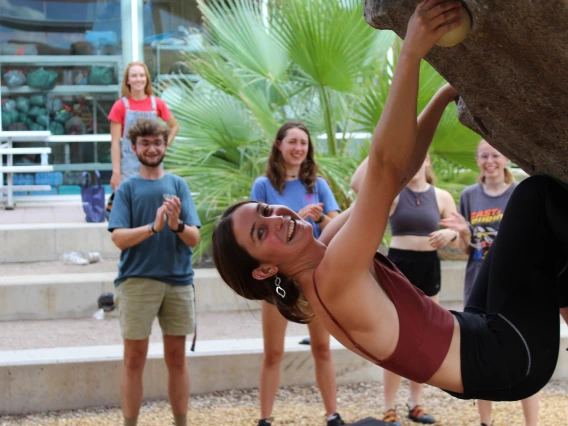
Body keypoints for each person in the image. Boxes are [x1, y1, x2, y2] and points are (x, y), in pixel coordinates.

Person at [211, 0, 568, 407]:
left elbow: (395, 178)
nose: (276, 218)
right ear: (266, 269)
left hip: (476, 337)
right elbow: (382, 167)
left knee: (548, 254)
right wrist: (411, 53)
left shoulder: (327, 245)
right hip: (504, 356)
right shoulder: (333, 277)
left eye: (265, 211)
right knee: (536, 196)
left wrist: (445, 96)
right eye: (261, 232)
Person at [352, 155, 459, 425]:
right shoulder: (396, 194)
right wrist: (383, 146)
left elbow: (461, 237)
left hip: (429, 267)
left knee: (424, 337)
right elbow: (359, 186)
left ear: (427, 160)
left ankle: (416, 404)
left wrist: (452, 235)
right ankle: (389, 408)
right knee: (394, 337)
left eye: (418, 153)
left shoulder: (443, 196)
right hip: (400, 266)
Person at [250, 121, 344, 426]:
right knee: (273, 353)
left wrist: (320, 219)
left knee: (322, 348)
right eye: (292, 142)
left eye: (303, 143)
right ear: (279, 144)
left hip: (312, 279)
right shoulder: (262, 185)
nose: (298, 148)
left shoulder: (318, 185)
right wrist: (296, 220)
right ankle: (265, 418)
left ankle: (333, 414)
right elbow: (256, 234)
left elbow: (338, 227)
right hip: (277, 280)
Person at [108, 118, 201, 426]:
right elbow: (118, 237)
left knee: (177, 359)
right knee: (134, 359)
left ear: (165, 145)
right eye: (145, 143)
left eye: (158, 142)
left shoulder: (179, 185)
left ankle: (181, 422)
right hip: (137, 281)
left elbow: (194, 239)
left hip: (178, 282)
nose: (152, 148)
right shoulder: (128, 188)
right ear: (133, 148)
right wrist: (152, 227)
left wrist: (176, 226)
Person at [440, 140, 539, 426]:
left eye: (495, 154)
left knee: (525, 354)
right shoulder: (470, 195)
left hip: (514, 287)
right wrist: (462, 232)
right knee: (480, 353)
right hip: (478, 285)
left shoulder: (520, 193)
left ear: (506, 158)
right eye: (483, 156)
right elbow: (464, 250)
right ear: (477, 160)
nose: (489, 161)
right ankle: (485, 422)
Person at [108, 61, 179, 190]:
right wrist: (116, 172)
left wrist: (163, 145)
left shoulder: (157, 103)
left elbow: (174, 127)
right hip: (128, 169)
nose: (138, 79)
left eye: (142, 75)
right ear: (127, 81)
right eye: (134, 76)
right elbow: (115, 143)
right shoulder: (120, 106)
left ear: (146, 79)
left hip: (154, 166)